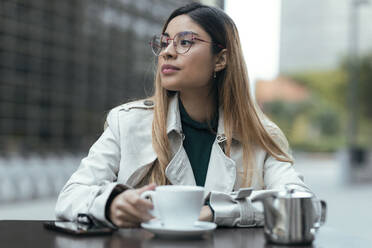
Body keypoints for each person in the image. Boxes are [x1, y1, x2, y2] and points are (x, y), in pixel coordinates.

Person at [55, 3, 310, 228]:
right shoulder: (127, 122)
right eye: (164, 42)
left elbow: (302, 204)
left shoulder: (260, 135)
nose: (167, 51)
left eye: (185, 42)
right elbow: (70, 196)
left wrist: (215, 212)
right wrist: (111, 204)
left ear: (220, 59)